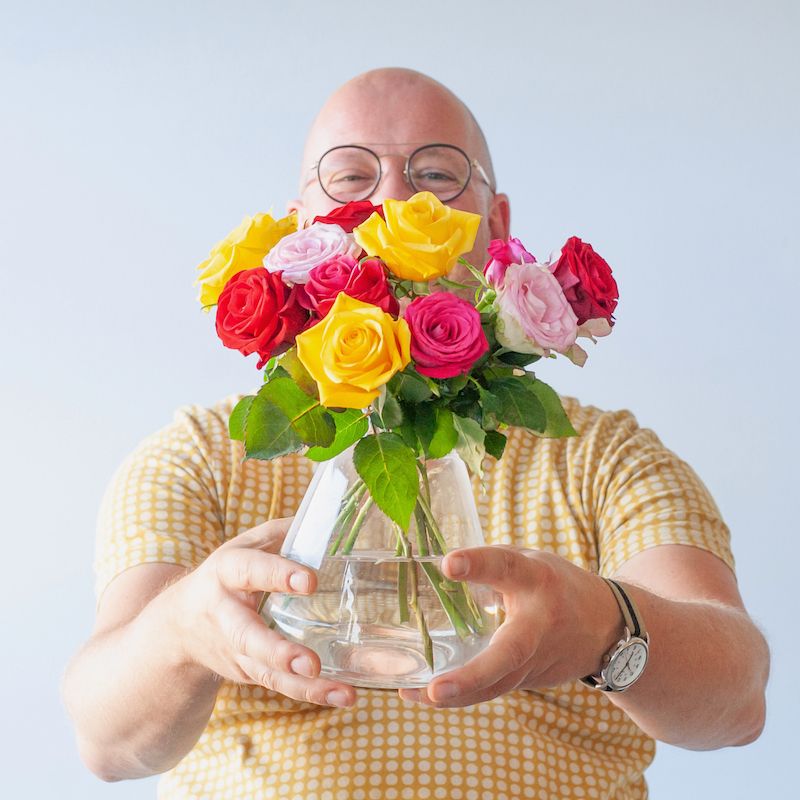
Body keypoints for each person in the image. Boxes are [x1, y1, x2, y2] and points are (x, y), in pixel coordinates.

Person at [63, 68, 769, 799]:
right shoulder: (203, 457)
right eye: (350, 177)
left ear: (496, 224)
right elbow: (107, 743)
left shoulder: (604, 458)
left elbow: (739, 700)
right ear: (299, 225)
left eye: (435, 172)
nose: (394, 198)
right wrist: (182, 631)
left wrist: (603, 628)